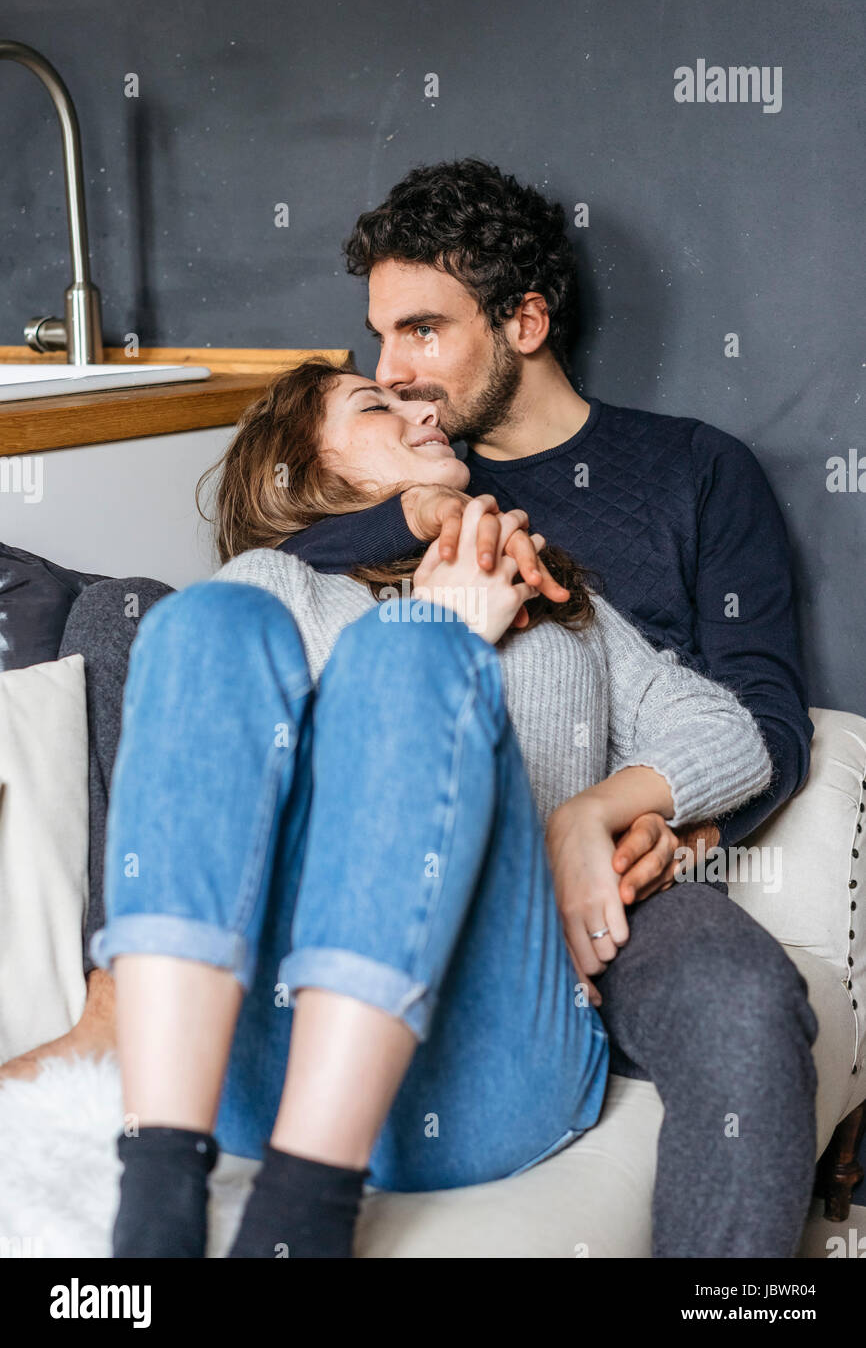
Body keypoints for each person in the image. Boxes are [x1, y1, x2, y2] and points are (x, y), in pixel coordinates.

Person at [88, 359, 813, 1259]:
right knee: (203, 629)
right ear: (307, 469)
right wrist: (445, 630)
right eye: (375, 406)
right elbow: (258, 797)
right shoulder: (271, 591)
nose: (419, 408)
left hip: (498, 1064)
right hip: (273, 1062)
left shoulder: (556, 601)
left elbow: (729, 728)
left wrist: (588, 811)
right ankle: (157, 1187)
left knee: (410, 651)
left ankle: (305, 1210)